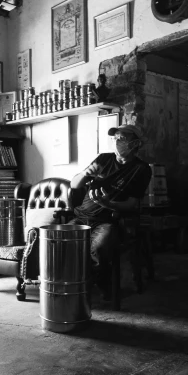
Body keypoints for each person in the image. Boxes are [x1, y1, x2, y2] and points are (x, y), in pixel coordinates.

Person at [69, 124, 152, 301]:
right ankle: (70, 284)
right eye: (114, 138)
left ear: (135, 143)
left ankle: (100, 286)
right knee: (59, 242)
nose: (116, 142)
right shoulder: (104, 159)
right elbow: (74, 185)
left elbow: (131, 204)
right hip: (81, 217)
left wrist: (108, 204)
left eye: (122, 139)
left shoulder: (142, 169)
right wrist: (84, 174)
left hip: (108, 220)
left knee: (98, 248)